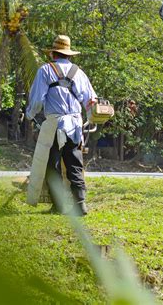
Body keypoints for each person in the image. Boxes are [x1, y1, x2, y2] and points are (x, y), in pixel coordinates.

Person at [26, 35, 97, 216]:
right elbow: (91, 100)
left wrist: (30, 114)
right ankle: (80, 205)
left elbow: (36, 100)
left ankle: (58, 206)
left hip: (55, 125)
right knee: (75, 165)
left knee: (53, 165)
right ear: (68, 54)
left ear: (53, 53)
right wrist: (89, 119)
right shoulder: (79, 73)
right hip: (74, 125)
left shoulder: (45, 71)